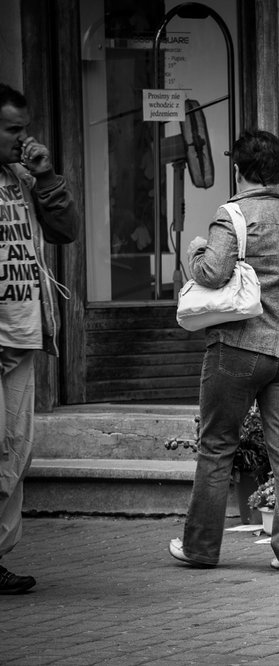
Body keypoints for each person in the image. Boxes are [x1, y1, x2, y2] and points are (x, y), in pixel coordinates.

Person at [169, 129, 279, 572]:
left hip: (238, 346)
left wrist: (197, 249)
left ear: (237, 169)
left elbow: (213, 273)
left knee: (216, 445)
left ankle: (200, 548)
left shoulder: (232, 214)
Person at [0, 83, 79, 594]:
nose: (22, 138)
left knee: (15, 451)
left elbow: (66, 230)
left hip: (23, 335)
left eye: (24, 128)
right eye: (11, 129)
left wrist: (47, 175)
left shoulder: (24, 178)